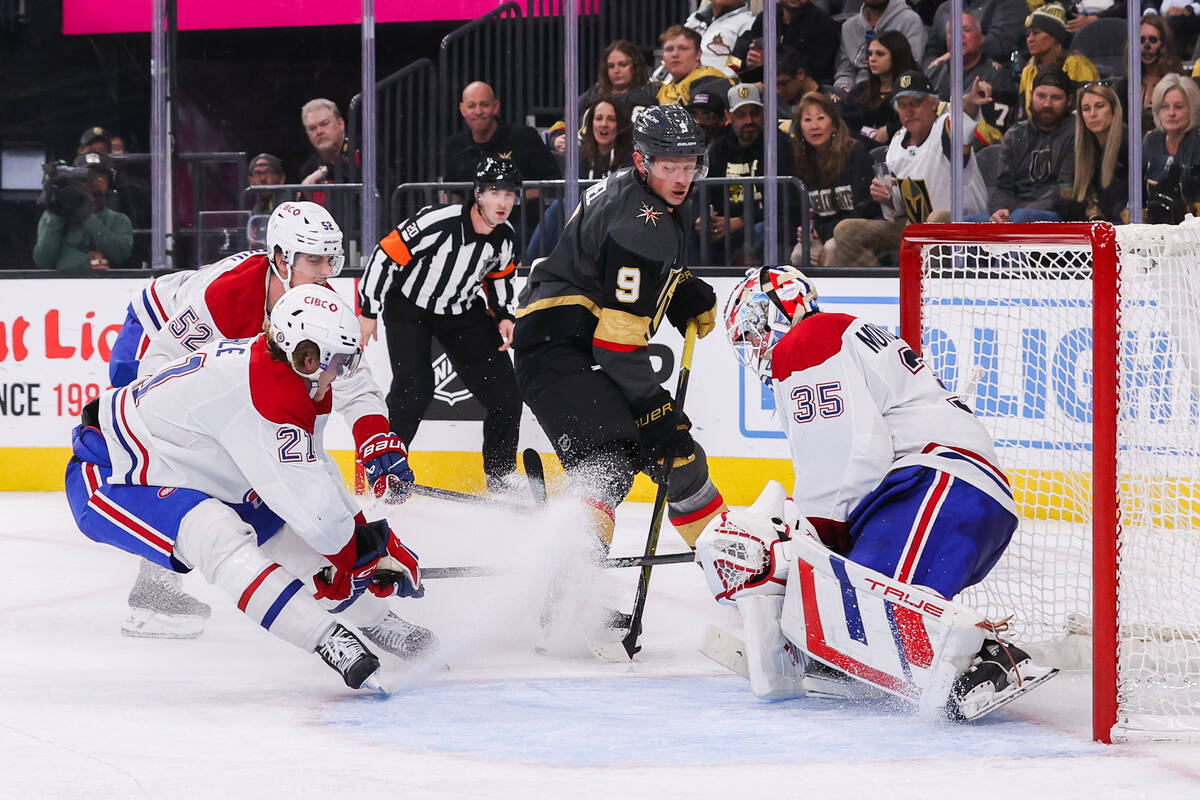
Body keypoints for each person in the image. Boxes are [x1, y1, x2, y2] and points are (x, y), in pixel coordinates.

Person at [701, 265, 1056, 718]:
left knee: (866, 608)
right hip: (947, 494)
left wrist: (812, 539)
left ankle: (987, 659)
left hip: (934, 486)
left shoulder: (806, 343)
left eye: (751, 333)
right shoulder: (833, 336)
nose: (753, 348)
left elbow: (851, 452)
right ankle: (888, 654)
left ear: (770, 314)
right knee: (854, 624)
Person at [65, 284, 432, 693]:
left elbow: (317, 479)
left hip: (200, 465)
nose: (342, 374)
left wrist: (376, 548)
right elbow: (318, 514)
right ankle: (328, 639)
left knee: (297, 543)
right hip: (117, 473)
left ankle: (381, 623)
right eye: (340, 363)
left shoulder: (292, 378)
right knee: (216, 533)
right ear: (307, 356)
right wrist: (364, 557)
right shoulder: (265, 396)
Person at [106, 201, 415, 638]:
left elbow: (352, 383)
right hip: (152, 337)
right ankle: (154, 590)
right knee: (182, 466)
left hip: (219, 364)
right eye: (314, 259)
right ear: (280, 259)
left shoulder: (318, 301)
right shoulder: (226, 297)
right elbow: (159, 370)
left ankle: (360, 606)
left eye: (332, 259)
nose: (326, 271)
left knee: (279, 469)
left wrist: (374, 437)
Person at [512, 104, 729, 562]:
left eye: (689, 166)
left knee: (680, 459)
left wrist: (675, 281)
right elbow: (616, 343)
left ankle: (733, 566)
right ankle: (567, 581)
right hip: (559, 349)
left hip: (569, 340)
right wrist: (653, 407)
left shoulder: (636, 196)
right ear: (642, 162)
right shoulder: (643, 225)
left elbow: (605, 271)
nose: (681, 178)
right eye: (669, 166)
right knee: (608, 462)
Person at [358, 157, 524, 494]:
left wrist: (505, 314)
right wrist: (369, 309)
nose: (503, 202)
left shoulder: (505, 237)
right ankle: (385, 469)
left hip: (461, 310)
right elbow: (385, 254)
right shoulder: (439, 221)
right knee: (414, 388)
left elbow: (500, 275)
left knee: (505, 392)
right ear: (477, 194)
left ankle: (500, 475)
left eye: (509, 194)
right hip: (409, 308)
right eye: (495, 192)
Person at [831, 71, 989, 267]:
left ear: (933, 103)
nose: (908, 111)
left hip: (963, 224)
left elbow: (963, 118)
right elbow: (897, 208)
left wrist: (971, 102)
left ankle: (931, 289)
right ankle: (881, 288)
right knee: (846, 230)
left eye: (915, 103)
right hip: (915, 226)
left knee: (936, 219)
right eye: (902, 105)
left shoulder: (945, 127)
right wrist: (886, 196)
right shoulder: (896, 144)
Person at [700, 83, 796, 264]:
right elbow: (703, 193)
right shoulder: (718, 146)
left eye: (755, 113)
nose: (749, 120)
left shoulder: (778, 144)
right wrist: (702, 217)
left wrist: (742, 221)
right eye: (741, 115)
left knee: (766, 230)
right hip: (726, 225)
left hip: (764, 224)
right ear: (729, 116)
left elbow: (786, 201)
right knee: (695, 231)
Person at [975, 69, 1075, 223]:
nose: (1047, 104)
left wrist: (1020, 213)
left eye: (1056, 98)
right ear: (1031, 95)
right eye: (1041, 96)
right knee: (967, 222)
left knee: (1022, 217)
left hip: (1056, 216)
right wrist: (1000, 211)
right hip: (1015, 214)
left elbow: (1065, 190)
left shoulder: (1075, 134)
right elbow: (1003, 186)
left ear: (1069, 101)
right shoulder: (1015, 134)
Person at [790, 92, 877, 267]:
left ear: (834, 123)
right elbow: (798, 210)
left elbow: (865, 208)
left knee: (832, 248)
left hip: (856, 235)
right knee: (799, 254)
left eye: (821, 118)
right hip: (822, 235)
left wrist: (825, 231)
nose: (814, 126)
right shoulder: (800, 161)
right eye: (807, 120)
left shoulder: (855, 152)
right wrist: (804, 230)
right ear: (799, 128)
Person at [443, 81, 561, 186]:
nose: (478, 111)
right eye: (471, 106)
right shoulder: (454, 145)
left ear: (496, 107)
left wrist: (511, 196)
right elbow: (451, 193)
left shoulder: (524, 137)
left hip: (522, 210)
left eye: (484, 105)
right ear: (462, 110)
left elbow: (552, 185)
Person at [33, 152, 133, 271]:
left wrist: (87, 214)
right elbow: (43, 261)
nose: (96, 180)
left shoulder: (119, 220)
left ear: (109, 181)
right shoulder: (56, 215)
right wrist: (86, 262)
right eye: (89, 176)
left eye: (102, 174)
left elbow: (120, 254)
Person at [928, 12, 1017, 144]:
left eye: (967, 30)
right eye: (952, 32)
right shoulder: (935, 71)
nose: (959, 36)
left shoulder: (997, 77)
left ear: (981, 38)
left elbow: (994, 135)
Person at [732, 0, 840, 87]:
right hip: (758, 85)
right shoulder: (767, 16)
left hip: (796, 94)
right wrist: (750, 61)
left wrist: (768, 65)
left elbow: (813, 73)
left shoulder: (824, 25)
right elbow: (746, 53)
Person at [1017, 4, 1099, 119]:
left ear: (1055, 35)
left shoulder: (1077, 65)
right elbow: (1023, 114)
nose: (1030, 39)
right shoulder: (1028, 71)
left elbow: (1085, 111)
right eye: (1028, 34)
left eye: (1036, 33)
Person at [841, 31, 918, 148]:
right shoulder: (859, 91)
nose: (872, 59)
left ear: (897, 56)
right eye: (870, 54)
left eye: (880, 54)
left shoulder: (914, 91)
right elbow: (843, 126)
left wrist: (892, 129)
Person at [1064, 82, 1128, 222]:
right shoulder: (1083, 147)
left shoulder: (1128, 144)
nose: (1093, 114)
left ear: (1113, 109)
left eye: (1099, 106)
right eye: (1086, 109)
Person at [833, 0, 927, 92]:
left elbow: (911, 66)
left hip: (895, 90)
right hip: (857, 92)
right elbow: (844, 71)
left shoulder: (910, 20)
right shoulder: (849, 27)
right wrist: (844, 88)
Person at [1143, 74, 1200, 223]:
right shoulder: (1151, 140)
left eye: (1179, 107)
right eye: (1165, 107)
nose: (1171, 113)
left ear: (1192, 109)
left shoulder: (1197, 142)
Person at [298, 98, 354, 236]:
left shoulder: (365, 151)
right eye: (312, 128)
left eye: (324, 124)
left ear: (340, 124)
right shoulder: (308, 169)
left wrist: (325, 170)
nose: (319, 131)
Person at [923, 0, 1029, 69]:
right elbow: (931, 52)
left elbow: (997, 46)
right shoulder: (945, 9)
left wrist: (949, 58)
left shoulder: (1011, 2)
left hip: (994, 79)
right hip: (947, 80)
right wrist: (934, 71)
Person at [655, 25, 735, 107]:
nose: (675, 54)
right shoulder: (663, 90)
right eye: (669, 49)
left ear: (698, 54)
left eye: (683, 48)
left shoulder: (712, 81)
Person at [578, 40, 656, 118]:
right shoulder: (592, 94)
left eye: (622, 64)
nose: (616, 71)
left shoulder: (643, 100)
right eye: (611, 66)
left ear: (635, 67)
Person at [683, 0, 755, 77]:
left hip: (712, 85)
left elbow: (735, 68)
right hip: (674, 83)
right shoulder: (694, 19)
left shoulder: (749, 24)